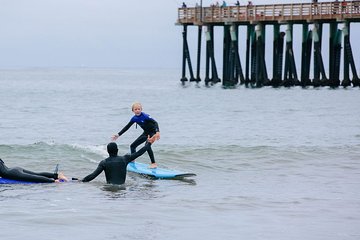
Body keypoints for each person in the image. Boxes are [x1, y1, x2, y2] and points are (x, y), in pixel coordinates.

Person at [81, 139, 154, 185]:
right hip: (122, 190)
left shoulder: (104, 163)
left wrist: (81, 180)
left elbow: (92, 176)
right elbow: (139, 153)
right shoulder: (125, 159)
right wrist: (148, 143)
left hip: (109, 191)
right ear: (117, 150)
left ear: (108, 151)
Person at [111, 102, 160, 168]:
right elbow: (127, 127)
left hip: (153, 133)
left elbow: (155, 122)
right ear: (133, 110)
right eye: (135, 109)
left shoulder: (145, 116)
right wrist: (118, 134)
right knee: (133, 146)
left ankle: (153, 163)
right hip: (145, 133)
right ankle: (132, 159)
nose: (137, 110)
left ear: (141, 109)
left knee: (147, 146)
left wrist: (157, 132)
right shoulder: (134, 118)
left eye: (139, 109)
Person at [0, 158, 68, 183]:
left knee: (33, 178)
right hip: (14, 169)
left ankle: (53, 181)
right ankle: (57, 175)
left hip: (13, 174)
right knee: (37, 174)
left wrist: (51, 181)